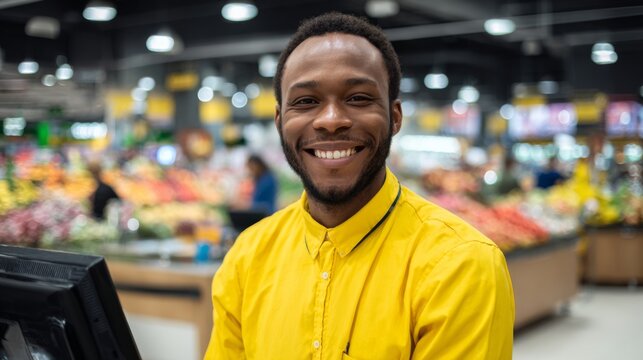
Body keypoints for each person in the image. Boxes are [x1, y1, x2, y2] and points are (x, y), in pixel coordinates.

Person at [205, 13, 514, 359]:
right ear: (280, 121)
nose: (331, 120)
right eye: (306, 101)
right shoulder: (247, 258)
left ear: (395, 117)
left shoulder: (460, 266)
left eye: (358, 98)